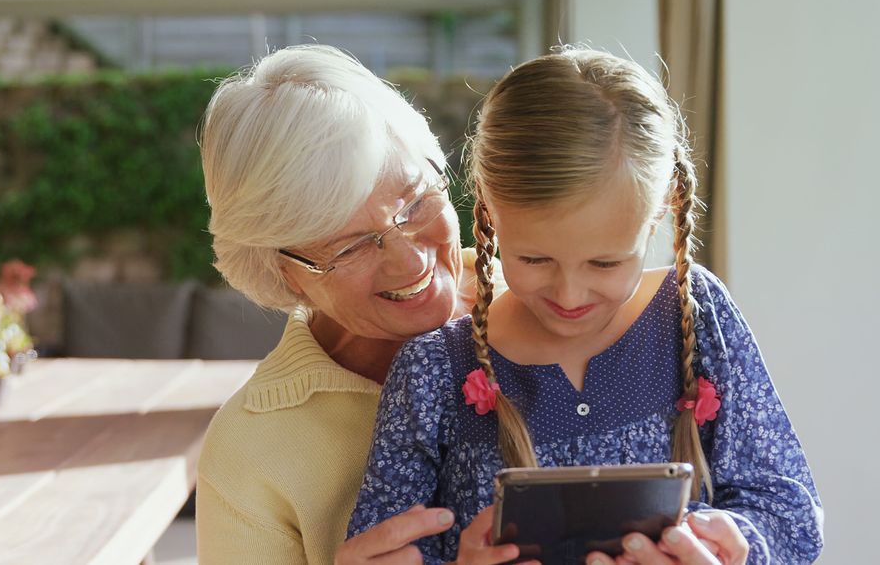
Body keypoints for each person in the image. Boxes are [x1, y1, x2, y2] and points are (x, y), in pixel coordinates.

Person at [347, 48, 824, 565]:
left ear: (659, 211)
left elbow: (789, 511)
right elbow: (385, 547)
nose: (569, 296)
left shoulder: (695, 314)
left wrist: (733, 543)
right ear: (486, 205)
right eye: (533, 258)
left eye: (604, 264)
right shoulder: (432, 373)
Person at [195, 44, 507, 564]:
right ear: (284, 272)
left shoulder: (560, 303)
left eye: (415, 202)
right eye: (350, 245)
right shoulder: (249, 451)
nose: (409, 263)